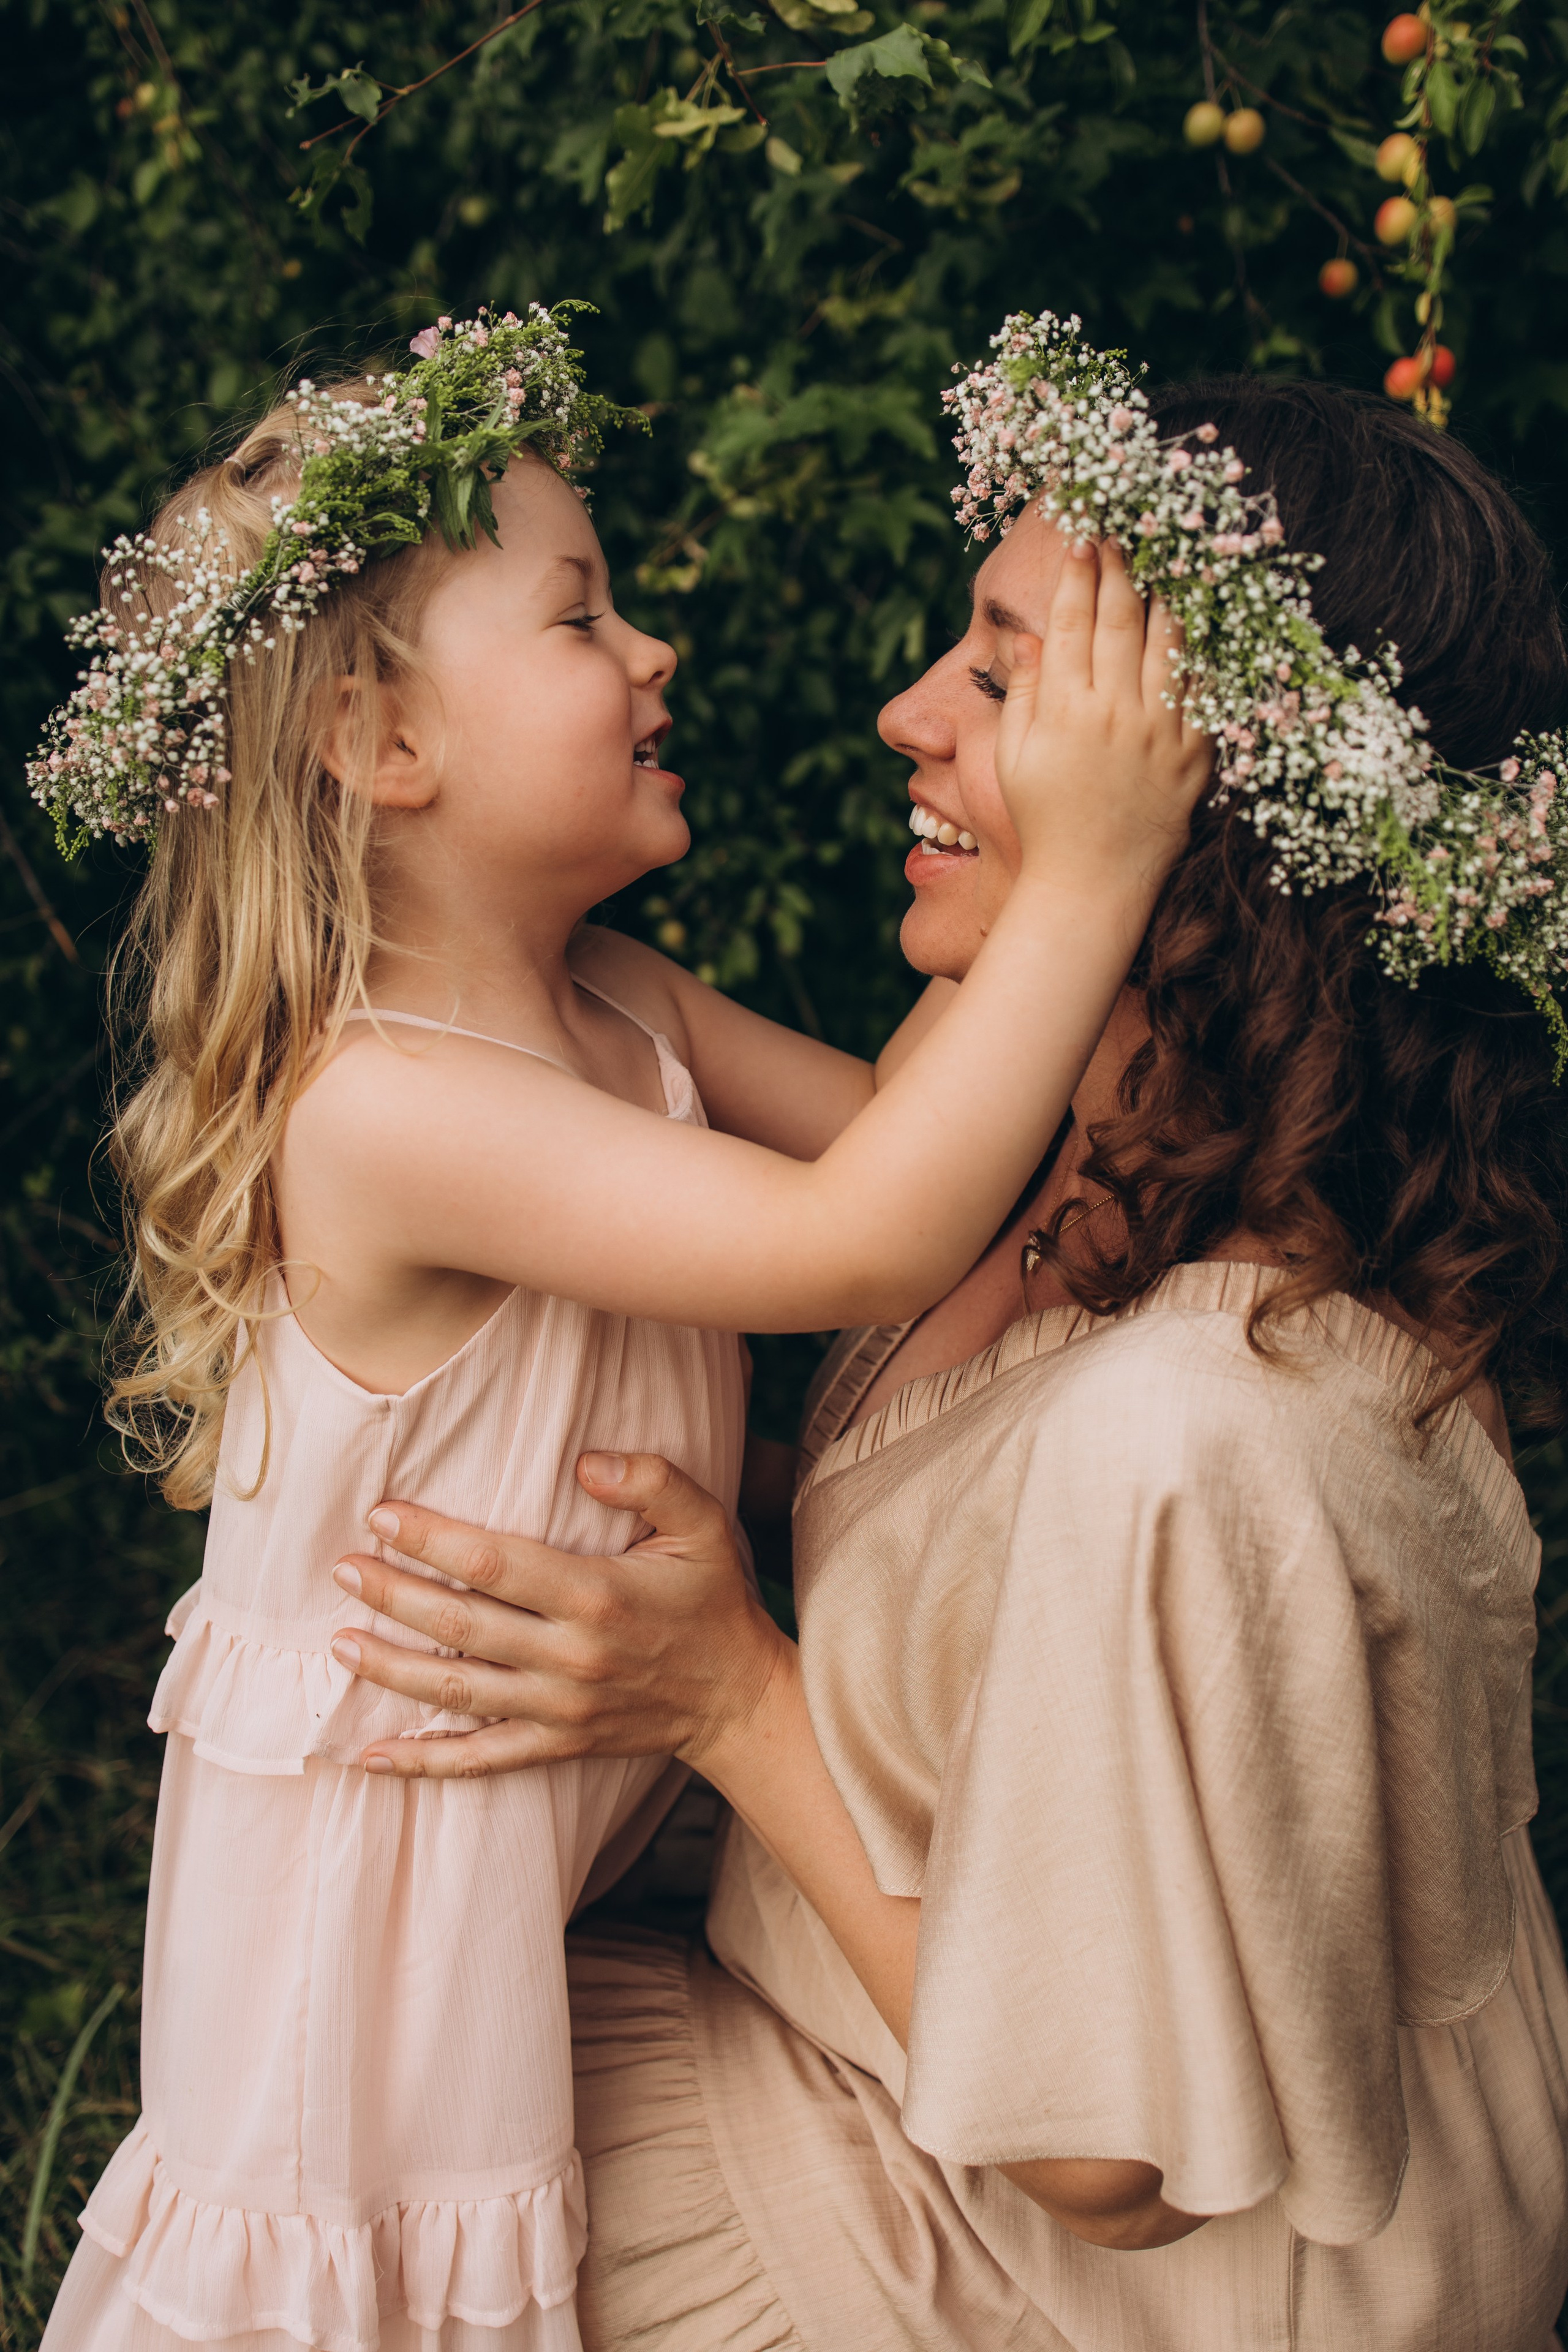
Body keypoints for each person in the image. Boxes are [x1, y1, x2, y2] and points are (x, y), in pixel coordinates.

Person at [330, 333, 1568, 2350]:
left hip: (1091, 2274)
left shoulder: (1194, 1427)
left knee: (378, 2185)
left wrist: (727, 1696)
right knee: (389, 2016)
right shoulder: (1091, 1154)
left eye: (1000, 681)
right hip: (880, 2074)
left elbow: (1111, 2166)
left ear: (1196, 795)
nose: (907, 711)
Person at [34, 307, 1210, 2352]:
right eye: (581, 617)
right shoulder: (383, 1109)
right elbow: (869, 1232)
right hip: (363, 1985)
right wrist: (1095, 860)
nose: (653, 648)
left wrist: (1016, 887)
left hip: (530, 1897)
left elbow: (963, 1170)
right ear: (383, 751)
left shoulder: (626, 1013)